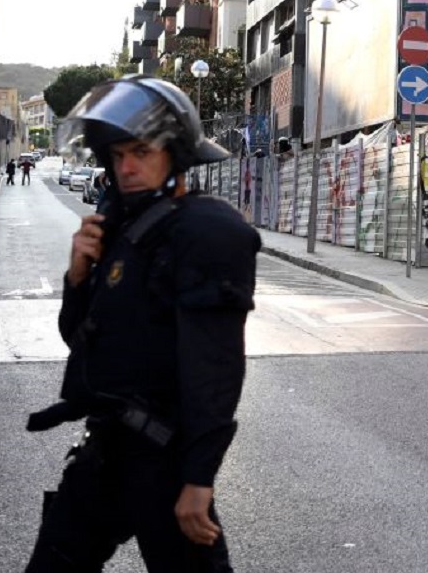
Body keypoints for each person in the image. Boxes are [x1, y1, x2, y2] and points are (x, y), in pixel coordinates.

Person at [23, 75, 260, 572]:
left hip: (164, 464)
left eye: (141, 152)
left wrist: (199, 479)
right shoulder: (121, 229)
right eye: (117, 155)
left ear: (173, 154)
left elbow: (214, 368)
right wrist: (77, 274)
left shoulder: (205, 231)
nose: (126, 167)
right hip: (104, 452)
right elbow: (82, 339)